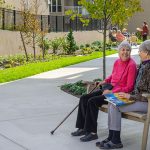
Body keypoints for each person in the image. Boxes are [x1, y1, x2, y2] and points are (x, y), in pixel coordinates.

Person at [71, 41, 137, 142]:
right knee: (84, 98)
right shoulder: (117, 62)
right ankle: (82, 128)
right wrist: (105, 81)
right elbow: (113, 76)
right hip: (110, 88)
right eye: (123, 50)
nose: (125, 52)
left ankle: (92, 132)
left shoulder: (131, 65)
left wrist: (112, 92)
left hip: (118, 94)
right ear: (119, 52)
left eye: (128, 50)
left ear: (130, 52)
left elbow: (129, 87)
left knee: (92, 101)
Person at [97, 40, 150, 149]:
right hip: (138, 99)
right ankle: (112, 137)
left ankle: (116, 140)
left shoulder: (148, 68)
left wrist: (130, 96)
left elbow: (147, 93)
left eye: (140, 51)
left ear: (147, 52)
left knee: (115, 105)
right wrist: (125, 94)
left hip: (146, 102)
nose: (138, 53)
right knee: (112, 101)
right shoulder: (143, 65)